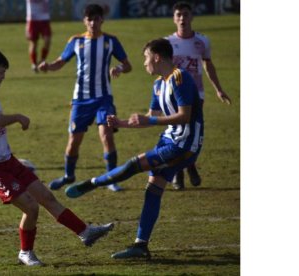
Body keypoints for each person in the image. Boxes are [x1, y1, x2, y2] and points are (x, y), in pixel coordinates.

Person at [0, 48, 114, 266]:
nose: (3, 77)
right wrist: (17, 118)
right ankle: (25, 252)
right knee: (31, 207)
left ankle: (85, 232)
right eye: (1, 72)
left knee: (47, 197)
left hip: (7, 160)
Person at [65, 38, 204, 259]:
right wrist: (121, 123)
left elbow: (184, 116)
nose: (145, 63)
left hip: (183, 145)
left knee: (134, 164)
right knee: (152, 190)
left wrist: (149, 122)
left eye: (146, 57)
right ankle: (140, 246)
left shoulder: (180, 77)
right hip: (169, 140)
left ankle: (93, 183)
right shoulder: (158, 84)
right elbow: (151, 118)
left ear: (157, 57)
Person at [38, 4, 132, 192]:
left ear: (102, 20)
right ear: (84, 21)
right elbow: (60, 62)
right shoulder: (76, 41)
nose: (93, 23)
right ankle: (68, 175)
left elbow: (128, 65)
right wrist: (48, 66)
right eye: (89, 19)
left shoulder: (111, 41)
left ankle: (111, 179)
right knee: (74, 140)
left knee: (106, 136)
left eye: (96, 19)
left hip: (103, 98)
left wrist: (119, 69)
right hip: (80, 100)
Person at [166, 1, 231, 190]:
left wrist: (218, 89)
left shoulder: (202, 41)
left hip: (197, 95)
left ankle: (189, 166)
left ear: (191, 17)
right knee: (178, 134)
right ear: (173, 18)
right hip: (175, 96)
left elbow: (207, 64)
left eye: (185, 14)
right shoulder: (168, 43)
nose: (182, 18)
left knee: (192, 133)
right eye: (178, 15)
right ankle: (180, 173)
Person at [25, 0, 52, 73]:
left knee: (47, 40)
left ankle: (42, 60)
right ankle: (34, 64)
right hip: (33, 19)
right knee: (33, 43)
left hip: (44, 18)